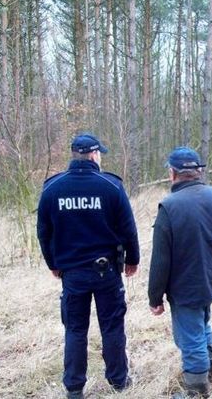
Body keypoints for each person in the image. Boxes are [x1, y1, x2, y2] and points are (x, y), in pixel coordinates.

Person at [37, 133, 140, 399]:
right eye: (99, 154)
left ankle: (74, 388)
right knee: (112, 327)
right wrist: (133, 260)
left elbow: (44, 233)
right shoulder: (111, 187)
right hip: (107, 272)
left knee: (75, 330)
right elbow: (128, 229)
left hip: (72, 274)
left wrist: (53, 264)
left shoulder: (52, 189)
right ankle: (119, 381)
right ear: (94, 155)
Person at [148, 147, 212, 398]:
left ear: (172, 173)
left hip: (184, 287)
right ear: (198, 171)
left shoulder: (169, 206)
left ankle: (197, 391)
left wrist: (155, 298)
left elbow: (160, 261)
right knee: (202, 323)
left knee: (190, 338)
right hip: (210, 280)